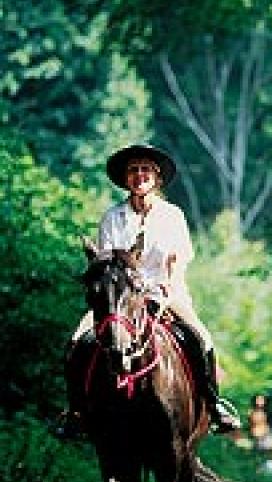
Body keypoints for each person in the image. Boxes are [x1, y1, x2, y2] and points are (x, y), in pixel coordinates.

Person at [57, 144, 241, 437]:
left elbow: (177, 260)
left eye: (145, 170)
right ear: (125, 178)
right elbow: (106, 263)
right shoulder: (112, 218)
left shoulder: (173, 216)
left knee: (201, 338)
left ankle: (213, 403)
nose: (139, 175)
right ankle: (76, 411)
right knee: (78, 340)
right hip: (120, 298)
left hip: (165, 292)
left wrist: (168, 287)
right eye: (133, 170)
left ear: (157, 177)